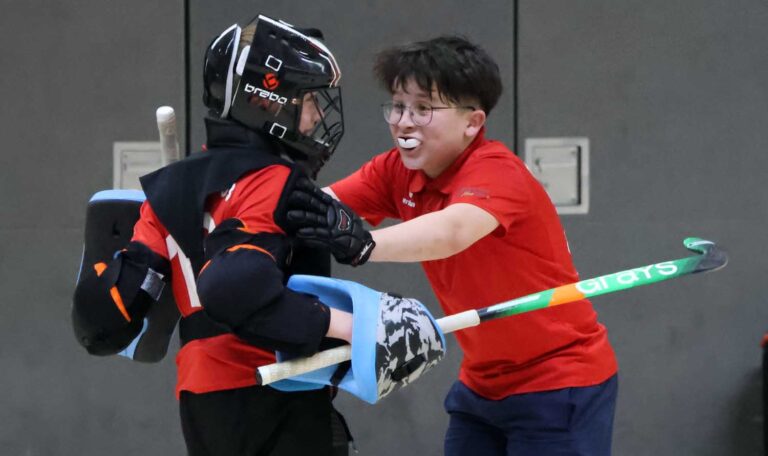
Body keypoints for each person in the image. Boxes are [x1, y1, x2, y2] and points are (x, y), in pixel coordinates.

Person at [285, 36, 619, 455]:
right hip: (481, 385)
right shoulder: (394, 171)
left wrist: (362, 243)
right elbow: (315, 209)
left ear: (472, 123)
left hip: (560, 383)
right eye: (399, 106)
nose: (404, 122)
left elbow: (452, 231)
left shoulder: (498, 171)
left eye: (424, 109)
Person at [72, 14, 354, 456]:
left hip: (202, 401)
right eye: (309, 100)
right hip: (276, 389)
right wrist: (355, 330)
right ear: (266, 101)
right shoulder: (273, 179)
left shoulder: (168, 189)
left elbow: (106, 321)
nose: (317, 115)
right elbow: (237, 288)